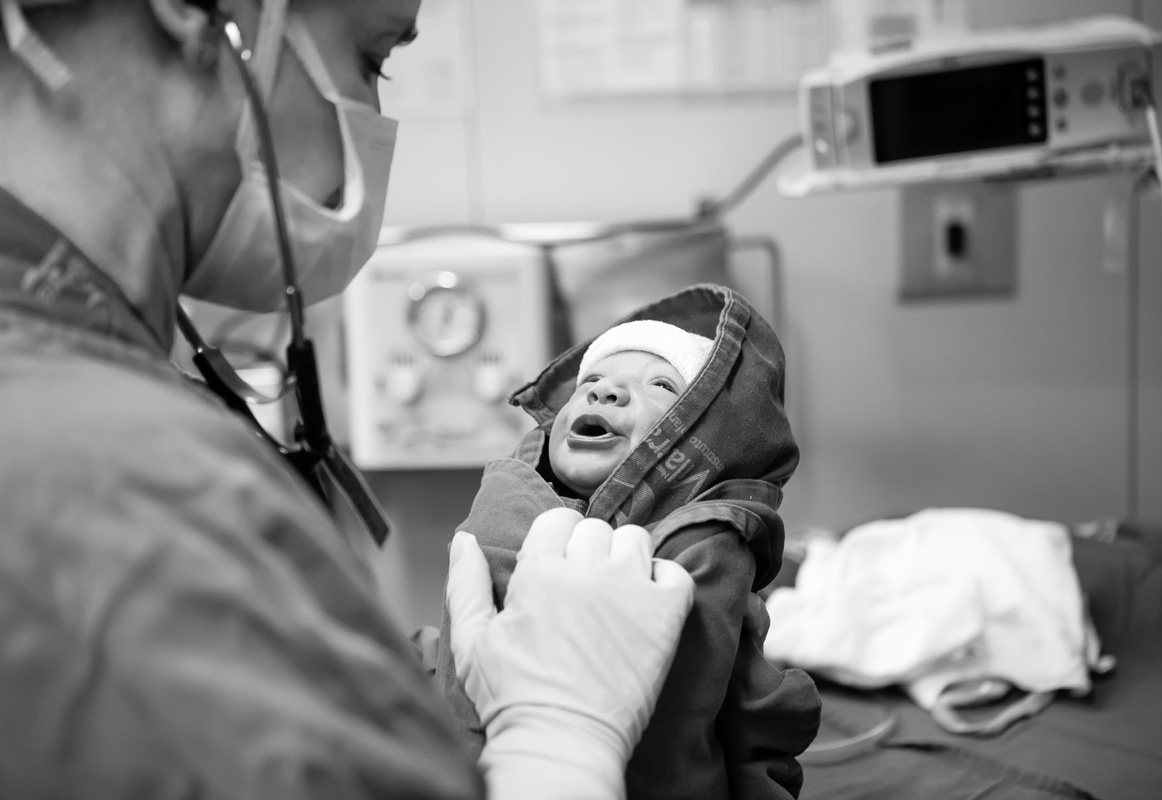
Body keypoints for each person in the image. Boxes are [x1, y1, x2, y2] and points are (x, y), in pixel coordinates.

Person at [0, 1, 696, 797]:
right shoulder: (131, 488)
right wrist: (560, 742)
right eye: (374, 60)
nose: (369, 123)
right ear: (192, 14)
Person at [437, 284, 823, 799]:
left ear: (697, 438)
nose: (604, 391)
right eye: (591, 380)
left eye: (661, 385)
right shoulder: (506, 501)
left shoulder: (703, 551)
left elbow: (752, 714)